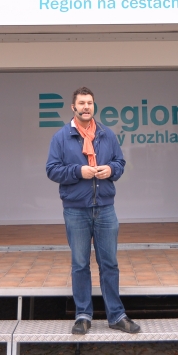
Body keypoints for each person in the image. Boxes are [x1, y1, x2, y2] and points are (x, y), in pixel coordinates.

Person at [45, 86, 139, 335]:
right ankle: (83, 315)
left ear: (94, 106)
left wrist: (111, 170)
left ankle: (116, 315)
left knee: (110, 264)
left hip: (105, 208)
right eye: (81, 103)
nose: (86, 107)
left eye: (89, 103)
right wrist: (79, 171)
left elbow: (120, 162)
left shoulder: (107, 134)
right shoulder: (61, 137)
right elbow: (52, 169)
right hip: (76, 210)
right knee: (80, 264)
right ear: (73, 107)